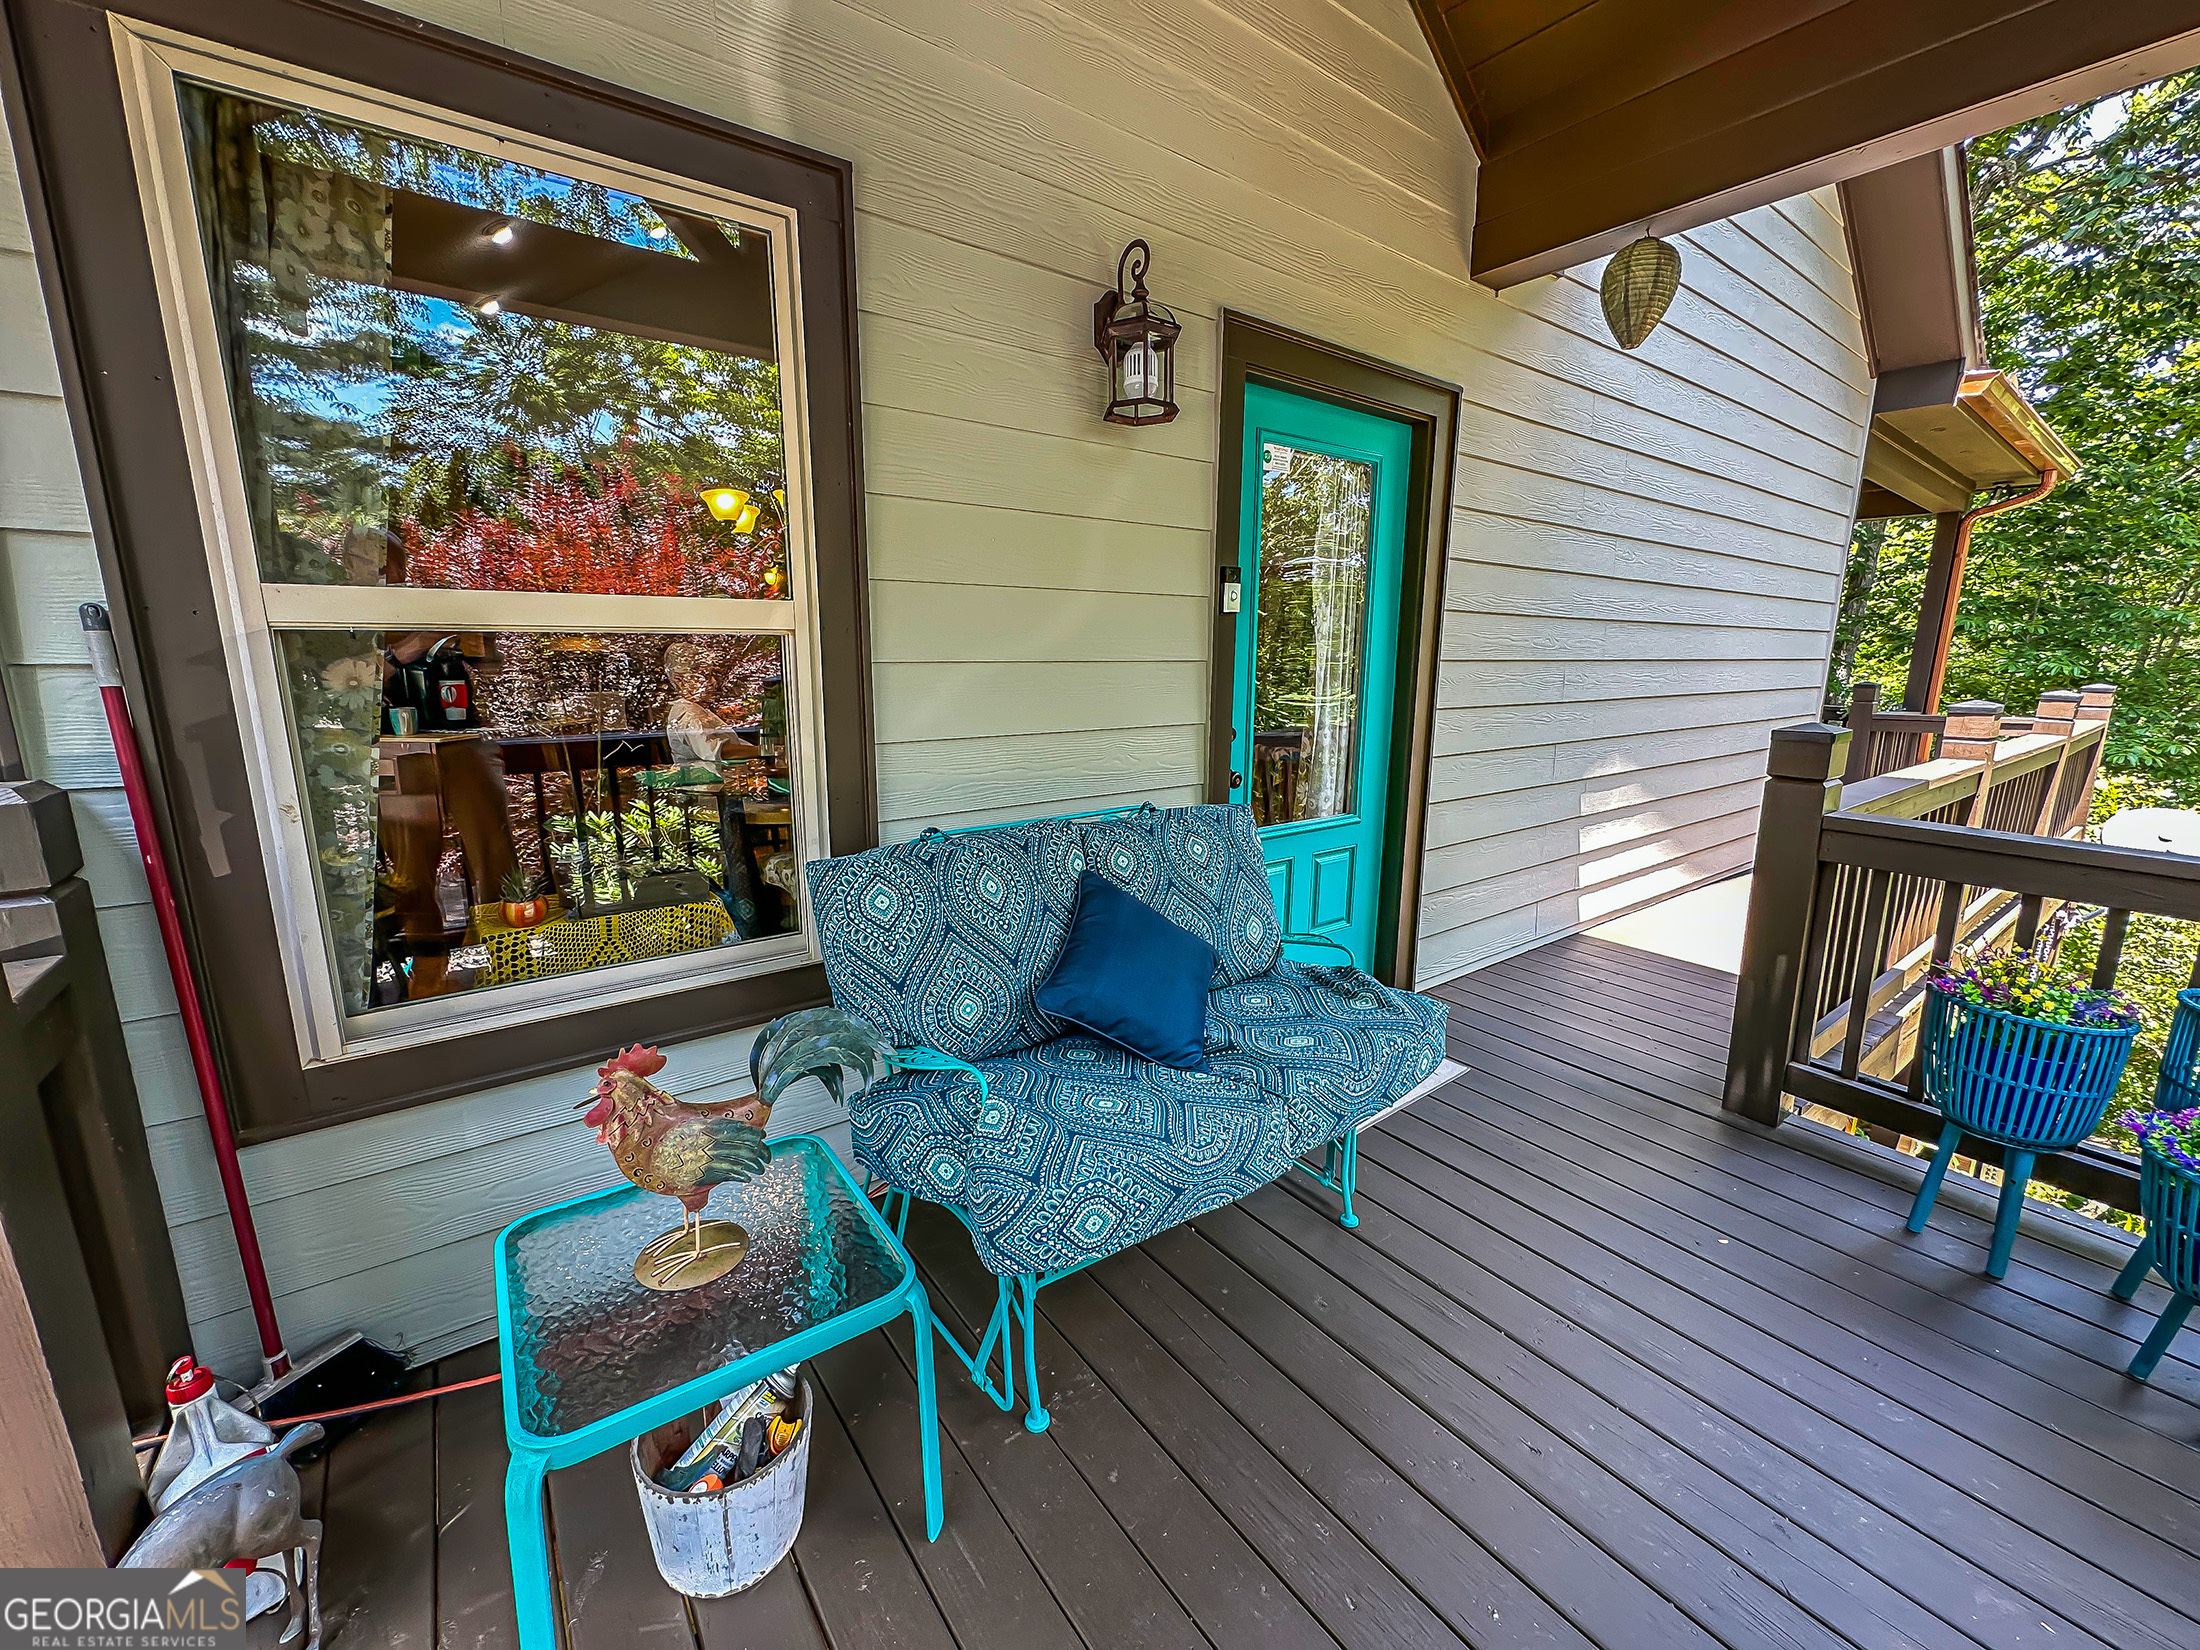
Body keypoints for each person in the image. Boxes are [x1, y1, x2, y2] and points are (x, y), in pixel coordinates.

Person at [662, 641, 762, 764]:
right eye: (705, 675)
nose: (713, 682)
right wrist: (765, 751)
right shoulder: (688, 714)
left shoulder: (694, 709)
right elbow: (716, 751)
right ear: (679, 680)